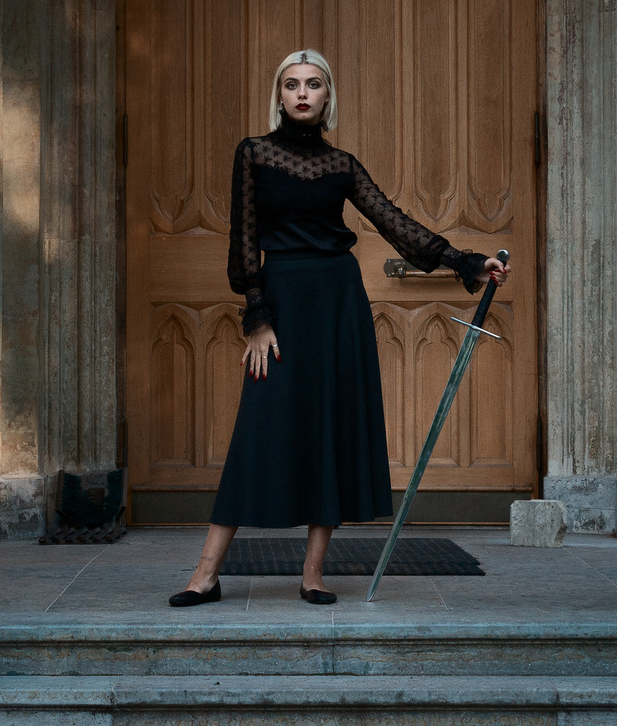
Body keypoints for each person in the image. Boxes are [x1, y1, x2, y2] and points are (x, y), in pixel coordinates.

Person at [170, 49, 511, 606]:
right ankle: (204, 574)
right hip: (280, 301)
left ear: (329, 98)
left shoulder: (343, 165)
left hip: (336, 304)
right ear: (278, 96)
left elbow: (394, 222)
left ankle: (313, 574)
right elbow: (243, 242)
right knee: (257, 430)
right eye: (290, 85)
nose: (302, 93)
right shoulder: (252, 154)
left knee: (328, 425)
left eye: (313, 85)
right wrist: (256, 317)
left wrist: (467, 262)